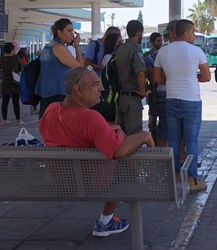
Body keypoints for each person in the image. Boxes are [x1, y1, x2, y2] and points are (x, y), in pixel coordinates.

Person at [39, 66, 154, 237]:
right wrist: (144, 136)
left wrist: (105, 131)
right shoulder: (90, 117)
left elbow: (58, 133)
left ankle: (107, 221)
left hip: (60, 182)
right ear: (78, 89)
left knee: (117, 138)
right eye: (95, 84)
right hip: (93, 184)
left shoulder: (51, 110)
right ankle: (106, 221)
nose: (101, 88)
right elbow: (118, 151)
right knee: (126, 163)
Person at [153, 19, 211, 193]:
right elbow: (207, 77)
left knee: (174, 140)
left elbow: (156, 78)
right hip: (191, 101)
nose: (194, 35)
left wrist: (171, 80)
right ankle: (192, 179)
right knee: (191, 140)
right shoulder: (196, 51)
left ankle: (176, 176)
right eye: (193, 32)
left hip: (171, 99)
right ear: (185, 33)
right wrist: (193, 78)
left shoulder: (163, 51)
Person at [36, 18, 85, 117]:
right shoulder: (58, 48)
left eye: (73, 31)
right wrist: (76, 45)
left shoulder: (49, 46)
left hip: (47, 93)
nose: (72, 35)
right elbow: (80, 69)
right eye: (69, 31)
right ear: (59, 32)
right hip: (57, 93)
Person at [114, 20, 147, 134]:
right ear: (138, 32)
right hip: (132, 97)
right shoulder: (135, 50)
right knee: (135, 135)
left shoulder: (119, 48)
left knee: (121, 135)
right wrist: (143, 91)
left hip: (120, 97)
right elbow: (141, 73)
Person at [144, 32, 165, 145]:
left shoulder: (163, 53)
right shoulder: (147, 55)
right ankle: (153, 143)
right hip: (152, 89)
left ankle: (161, 142)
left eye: (161, 40)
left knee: (163, 117)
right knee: (152, 118)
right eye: (158, 41)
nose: (160, 43)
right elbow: (146, 72)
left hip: (162, 89)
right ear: (152, 42)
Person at [0, 42, 23, 126]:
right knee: (15, 102)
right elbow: (20, 68)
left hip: (5, 82)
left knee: (5, 102)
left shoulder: (1, 59)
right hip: (15, 82)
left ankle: (5, 120)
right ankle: (18, 121)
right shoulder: (16, 58)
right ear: (12, 49)